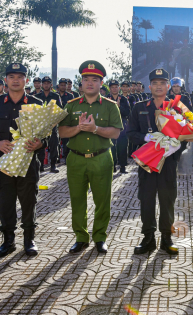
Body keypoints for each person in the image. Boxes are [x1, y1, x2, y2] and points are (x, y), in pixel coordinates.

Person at [0, 63, 46, 257]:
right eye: (11, 76)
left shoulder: (36, 104)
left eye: (20, 76)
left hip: (28, 163)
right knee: (5, 202)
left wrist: (39, 144)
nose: (15, 80)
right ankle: (8, 241)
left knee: (29, 201)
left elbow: (48, 134)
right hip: (3, 163)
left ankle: (29, 239)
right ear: (6, 80)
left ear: (26, 79)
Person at [58, 61, 123, 254]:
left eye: (94, 80)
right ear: (81, 82)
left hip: (101, 158)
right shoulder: (71, 106)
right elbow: (61, 131)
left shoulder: (110, 107)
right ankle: (80, 237)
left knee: (102, 200)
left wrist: (95, 129)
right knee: (77, 199)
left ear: (101, 83)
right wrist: (78, 128)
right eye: (86, 79)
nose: (89, 83)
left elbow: (116, 133)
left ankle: (100, 237)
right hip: (76, 158)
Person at [127, 68, 187, 255]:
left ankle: (166, 238)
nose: (159, 86)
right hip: (147, 162)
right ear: (150, 86)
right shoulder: (139, 107)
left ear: (169, 86)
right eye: (155, 83)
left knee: (167, 200)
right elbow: (130, 133)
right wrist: (146, 138)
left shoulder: (177, 108)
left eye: (163, 83)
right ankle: (148, 237)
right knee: (146, 199)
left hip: (168, 162)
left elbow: (187, 134)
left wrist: (175, 147)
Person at [35, 76, 62, 174]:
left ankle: (53, 165)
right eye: (44, 83)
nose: (46, 85)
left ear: (51, 85)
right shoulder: (37, 97)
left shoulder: (55, 96)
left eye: (48, 83)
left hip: (52, 125)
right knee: (40, 145)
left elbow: (59, 110)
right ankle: (41, 165)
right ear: (42, 85)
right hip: (41, 125)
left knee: (54, 144)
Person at [107, 79, 130, 174]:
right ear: (110, 88)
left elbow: (128, 112)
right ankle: (112, 165)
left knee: (122, 146)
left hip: (122, 126)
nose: (114, 89)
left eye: (116, 87)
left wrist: (119, 107)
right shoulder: (106, 99)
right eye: (112, 87)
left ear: (119, 88)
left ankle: (123, 166)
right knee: (111, 146)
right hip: (110, 125)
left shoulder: (123, 99)